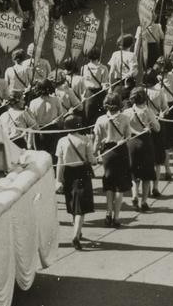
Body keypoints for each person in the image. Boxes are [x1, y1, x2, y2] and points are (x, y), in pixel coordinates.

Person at [55, 113, 96, 250]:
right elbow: (92, 160)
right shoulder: (85, 140)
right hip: (82, 173)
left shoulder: (61, 141)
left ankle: (77, 230)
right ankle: (76, 235)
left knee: (73, 204)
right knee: (81, 209)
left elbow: (60, 163)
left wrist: (58, 180)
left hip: (68, 174)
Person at [94, 91, 132, 228]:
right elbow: (128, 136)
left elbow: (97, 140)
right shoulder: (125, 118)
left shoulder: (100, 120)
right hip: (120, 151)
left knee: (109, 184)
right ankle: (116, 217)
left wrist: (93, 154)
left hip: (106, 153)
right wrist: (122, 140)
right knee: (119, 187)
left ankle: (108, 213)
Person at [125, 87, 160, 212]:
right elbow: (157, 128)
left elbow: (125, 129)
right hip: (145, 142)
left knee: (134, 172)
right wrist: (151, 123)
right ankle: (144, 201)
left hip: (132, 143)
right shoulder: (148, 111)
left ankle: (134, 195)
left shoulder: (127, 112)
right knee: (146, 175)